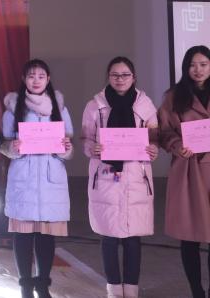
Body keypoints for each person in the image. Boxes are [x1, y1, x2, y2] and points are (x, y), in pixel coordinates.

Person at [81, 56, 159, 298]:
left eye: (125, 74)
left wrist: (153, 149)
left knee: (133, 237)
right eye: (115, 75)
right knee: (109, 236)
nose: (120, 79)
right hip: (106, 176)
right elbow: (86, 138)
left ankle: (131, 289)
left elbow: (154, 137)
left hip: (136, 176)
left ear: (134, 77)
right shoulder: (95, 106)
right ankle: (114, 288)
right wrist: (91, 148)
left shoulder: (145, 105)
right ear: (108, 77)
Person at [0, 59, 74, 298]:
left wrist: (65, 148)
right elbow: (4, 144)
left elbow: (68, 143)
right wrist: (13, 147)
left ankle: (43, 285)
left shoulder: (59, 107)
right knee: (22, 234)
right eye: (31, 76)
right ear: (24, 79)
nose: (36, 80)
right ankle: (25, 285)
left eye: (41, 76)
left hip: (51, 177)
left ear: (48, 79)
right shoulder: (14, 107)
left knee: (46, 235)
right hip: (25, 177)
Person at [157, 45, 210, 298]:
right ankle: (196, 291)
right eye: (192, 65)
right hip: (189, 172)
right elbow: (164, 131)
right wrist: (177, 145)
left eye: (203, 64)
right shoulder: (174, 96)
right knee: (190, 235)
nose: (198, 70)